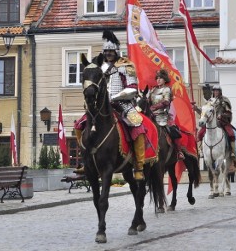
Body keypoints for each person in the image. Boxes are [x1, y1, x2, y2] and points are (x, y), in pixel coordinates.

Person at [74, 30, 146, 180]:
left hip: (122, 103)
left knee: (138, 125)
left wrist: (114, 97)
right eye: (106, 51)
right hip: (100, 105)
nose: (108, 54)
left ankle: (139, 166)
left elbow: (133, 88)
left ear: (116, 51)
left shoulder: (126, 65)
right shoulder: (99, 66)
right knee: (79, 125)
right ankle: (85, 161)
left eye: (111, 51)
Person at [148, 69, 185, 160]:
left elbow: (166, 101)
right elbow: (149, 101)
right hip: (152, 115)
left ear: (165, 80)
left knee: (173, 130)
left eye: (161, 78)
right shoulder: (153, 90)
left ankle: (178, 151)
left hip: (163, 115)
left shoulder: (167, 89)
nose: (158, 80)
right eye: (157, 78)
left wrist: (154, 107)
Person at [197, 85, 236, 161]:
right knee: (200, 133)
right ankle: (200, 150)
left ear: (220, 92)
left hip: (221, 121)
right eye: (214, 91)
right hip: (210, 122)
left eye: (217, 91)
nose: (216, 92)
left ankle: (232, 151)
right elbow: (204, 112)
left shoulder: (224, 100)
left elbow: (229, 113)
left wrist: (221, 115)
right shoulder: (209, 101)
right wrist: (196, 109)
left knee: (231, 133)